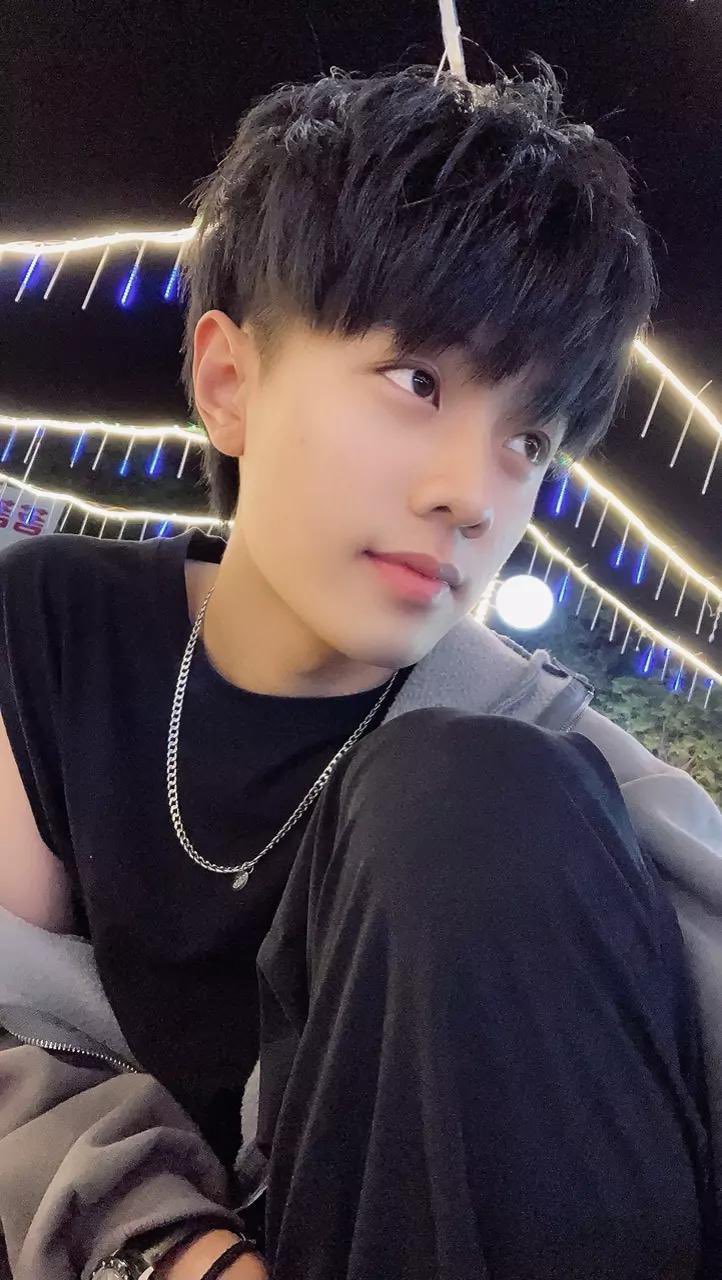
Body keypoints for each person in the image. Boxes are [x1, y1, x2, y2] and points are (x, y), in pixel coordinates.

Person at [0, 60, 721, 1280]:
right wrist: (172, 1248)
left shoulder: (533, 756)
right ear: (229, 381)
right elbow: (12, 1030)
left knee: (466, 798)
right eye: (415, 379)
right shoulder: (51, 628)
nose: (471, 493)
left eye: (528, 439)